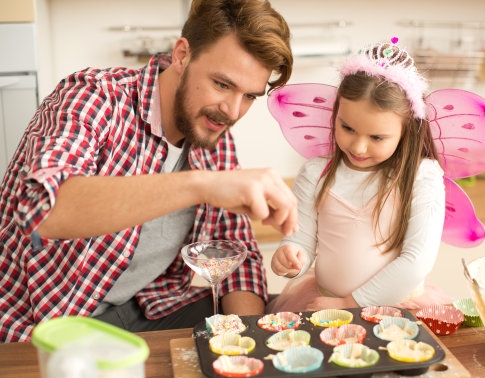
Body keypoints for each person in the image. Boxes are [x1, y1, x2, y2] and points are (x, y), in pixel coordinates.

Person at [0, 0, 297, 343]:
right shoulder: (92, 97)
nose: (232, 110)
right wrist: (201, 184)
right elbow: (43, 212)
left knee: (287, 320)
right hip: (42, 323)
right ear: (182, 55)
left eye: (249, 96)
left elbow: (237, 261)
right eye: (222, 84)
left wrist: (246, 346)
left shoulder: (213, 130)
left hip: (147, 310)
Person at [266, 39, 452, 313]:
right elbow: (301, 238)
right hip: (325, 306)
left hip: (396, 309)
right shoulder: (316, 173)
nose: (358, 146)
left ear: (407, 130)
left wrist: (349, 304)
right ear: (336, 115)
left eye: (377, 137)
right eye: (348, 128)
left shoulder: (421, 176)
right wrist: (292, 257)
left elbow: (416, 262)